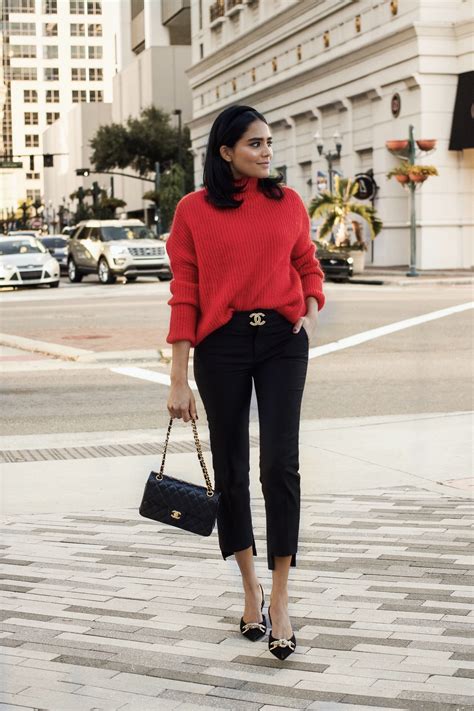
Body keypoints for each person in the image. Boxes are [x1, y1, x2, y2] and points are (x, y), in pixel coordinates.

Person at [166, 104, 326, 660]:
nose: (266, 152)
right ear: (225, 151)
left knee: (280, 464)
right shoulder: (192, 211)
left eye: (268, 143)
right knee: (231, 469)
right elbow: (184, 292)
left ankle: (281, 595)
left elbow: (308, 262)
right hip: (222, 346)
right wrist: (178, 378)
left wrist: (307, 305)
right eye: (254, 144)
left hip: (282, 341)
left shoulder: (288, 204)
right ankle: (249, 586)